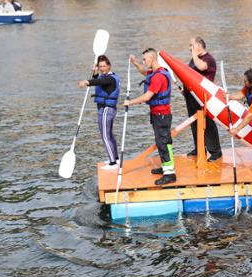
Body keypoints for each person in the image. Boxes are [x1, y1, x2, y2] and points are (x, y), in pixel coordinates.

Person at [125, 48, 176, 186]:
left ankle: (170, 174)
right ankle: (166, 167)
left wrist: (130, 102)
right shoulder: (155, 72)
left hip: (161, 115)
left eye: (144, 59)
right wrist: (134, 62)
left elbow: (147, 96)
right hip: (158, 114)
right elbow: (143, 71)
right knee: (163, 142)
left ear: (152, 58)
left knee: (163, 143)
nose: (143, 62)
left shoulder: (158, 77)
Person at [77, 55, 120, 170]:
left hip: (106, 109)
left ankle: (113, 163)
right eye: (100, 66)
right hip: (105, 108)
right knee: (109, 134)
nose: (102, 69)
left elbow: (100, 81)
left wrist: (86, 82)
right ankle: (115, 158)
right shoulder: (104, 76)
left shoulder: (110, 79)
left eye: (104, 66)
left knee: (105, 136)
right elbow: (98, 80)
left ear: (109, 66)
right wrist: (95, 73)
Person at [183, 37, 222, 162]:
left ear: (199, 45)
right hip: (192, 97)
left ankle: (215, 151)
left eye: (191, 45)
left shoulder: (208, 59)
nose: (189, 48)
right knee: (194, 123)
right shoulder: (194, 59)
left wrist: (194, 54)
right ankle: (199, 148)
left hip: (204, 98)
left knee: (208, 124)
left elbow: (201, 67)